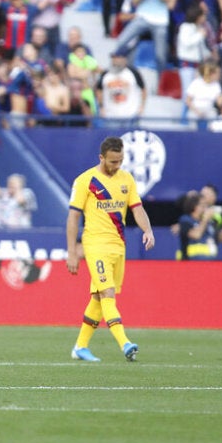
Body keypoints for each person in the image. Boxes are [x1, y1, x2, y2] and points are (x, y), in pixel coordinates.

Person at [66, 136, 155, 362]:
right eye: (113, 162)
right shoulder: (85, 180)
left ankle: (80, 347)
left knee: (98, 297)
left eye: (121, 161)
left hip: (118, 246)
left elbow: (137, 209)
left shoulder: (127, 179)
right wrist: (71, 251)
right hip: (95, 245)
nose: (117, 166)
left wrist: (148, 230)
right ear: (102, 158)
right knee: (107, 294)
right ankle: (125, 343)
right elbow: (73, 217)